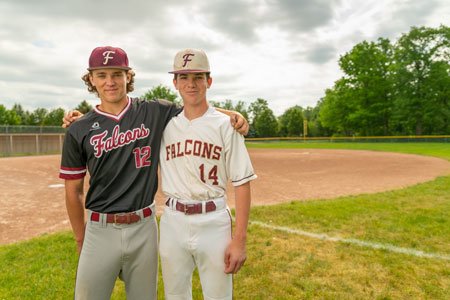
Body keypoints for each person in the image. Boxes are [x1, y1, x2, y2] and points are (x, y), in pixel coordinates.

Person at [59, 46, 248, 300]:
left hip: (144, 225)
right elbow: (73, 191)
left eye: (117, 73)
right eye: (102, 75)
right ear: (91, 79)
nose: (110, 81)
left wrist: (233, 115)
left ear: (128, 76)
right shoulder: (80, 128)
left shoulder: (152, 111)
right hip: (101, 227)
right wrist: (80, 237)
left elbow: (195, 107)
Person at [159, 48, 257, 300]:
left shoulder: (226, 126)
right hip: (173, 221)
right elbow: (122, 114)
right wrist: (83, 119)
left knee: (218, 296)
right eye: (184, 77)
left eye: (198, 77)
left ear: (209, 81)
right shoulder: (164, 124)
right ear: (175, 83)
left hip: (213, 221)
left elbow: (242, 183)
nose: (191, 84)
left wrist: (240, 240)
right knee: (175, 295)